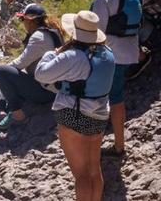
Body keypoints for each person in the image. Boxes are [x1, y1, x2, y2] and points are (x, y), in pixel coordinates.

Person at [34, 11, 115, 201]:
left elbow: (41, 74)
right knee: (94, 170)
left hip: (73, 116)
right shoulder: (108, 53)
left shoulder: (72, 56)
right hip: (99, 117)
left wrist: (50, 53)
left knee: (81, 175)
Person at [0, 3, 65, 129]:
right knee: (4, 81)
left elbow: (20, 63)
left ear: (30, 20)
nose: (22, 22)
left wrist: (3, 71)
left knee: (0, 72)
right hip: (55, 88)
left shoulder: (38, 37)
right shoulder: (52, 32)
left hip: (46, 92)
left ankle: (16, 115)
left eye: (23, 19)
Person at [90, 0, 142, 157]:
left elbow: (98, 31)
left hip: (111, 54)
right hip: (130, 52)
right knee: (116, 96)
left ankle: (103, 143)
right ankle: (117, 143)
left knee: (103, 97)